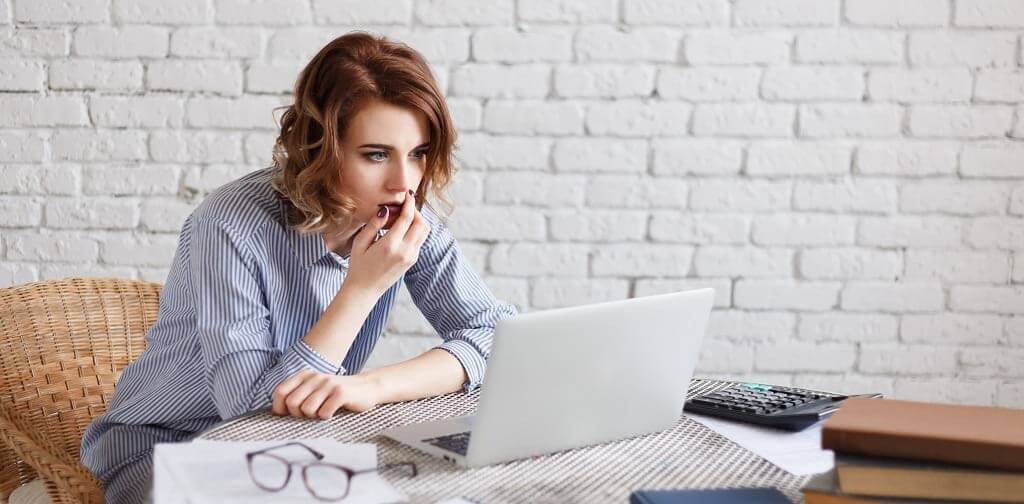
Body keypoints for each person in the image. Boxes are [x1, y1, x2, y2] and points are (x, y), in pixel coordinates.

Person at [80, 32, 517, 503]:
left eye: (418, 153)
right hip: (165, 447)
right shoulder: (228, 225)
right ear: (319, 146)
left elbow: (498, 339)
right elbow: (249, 414)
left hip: (302, 443)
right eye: (375, 154)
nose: (405, 182)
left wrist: (370, 387)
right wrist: (361, 290)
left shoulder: (403, 215)